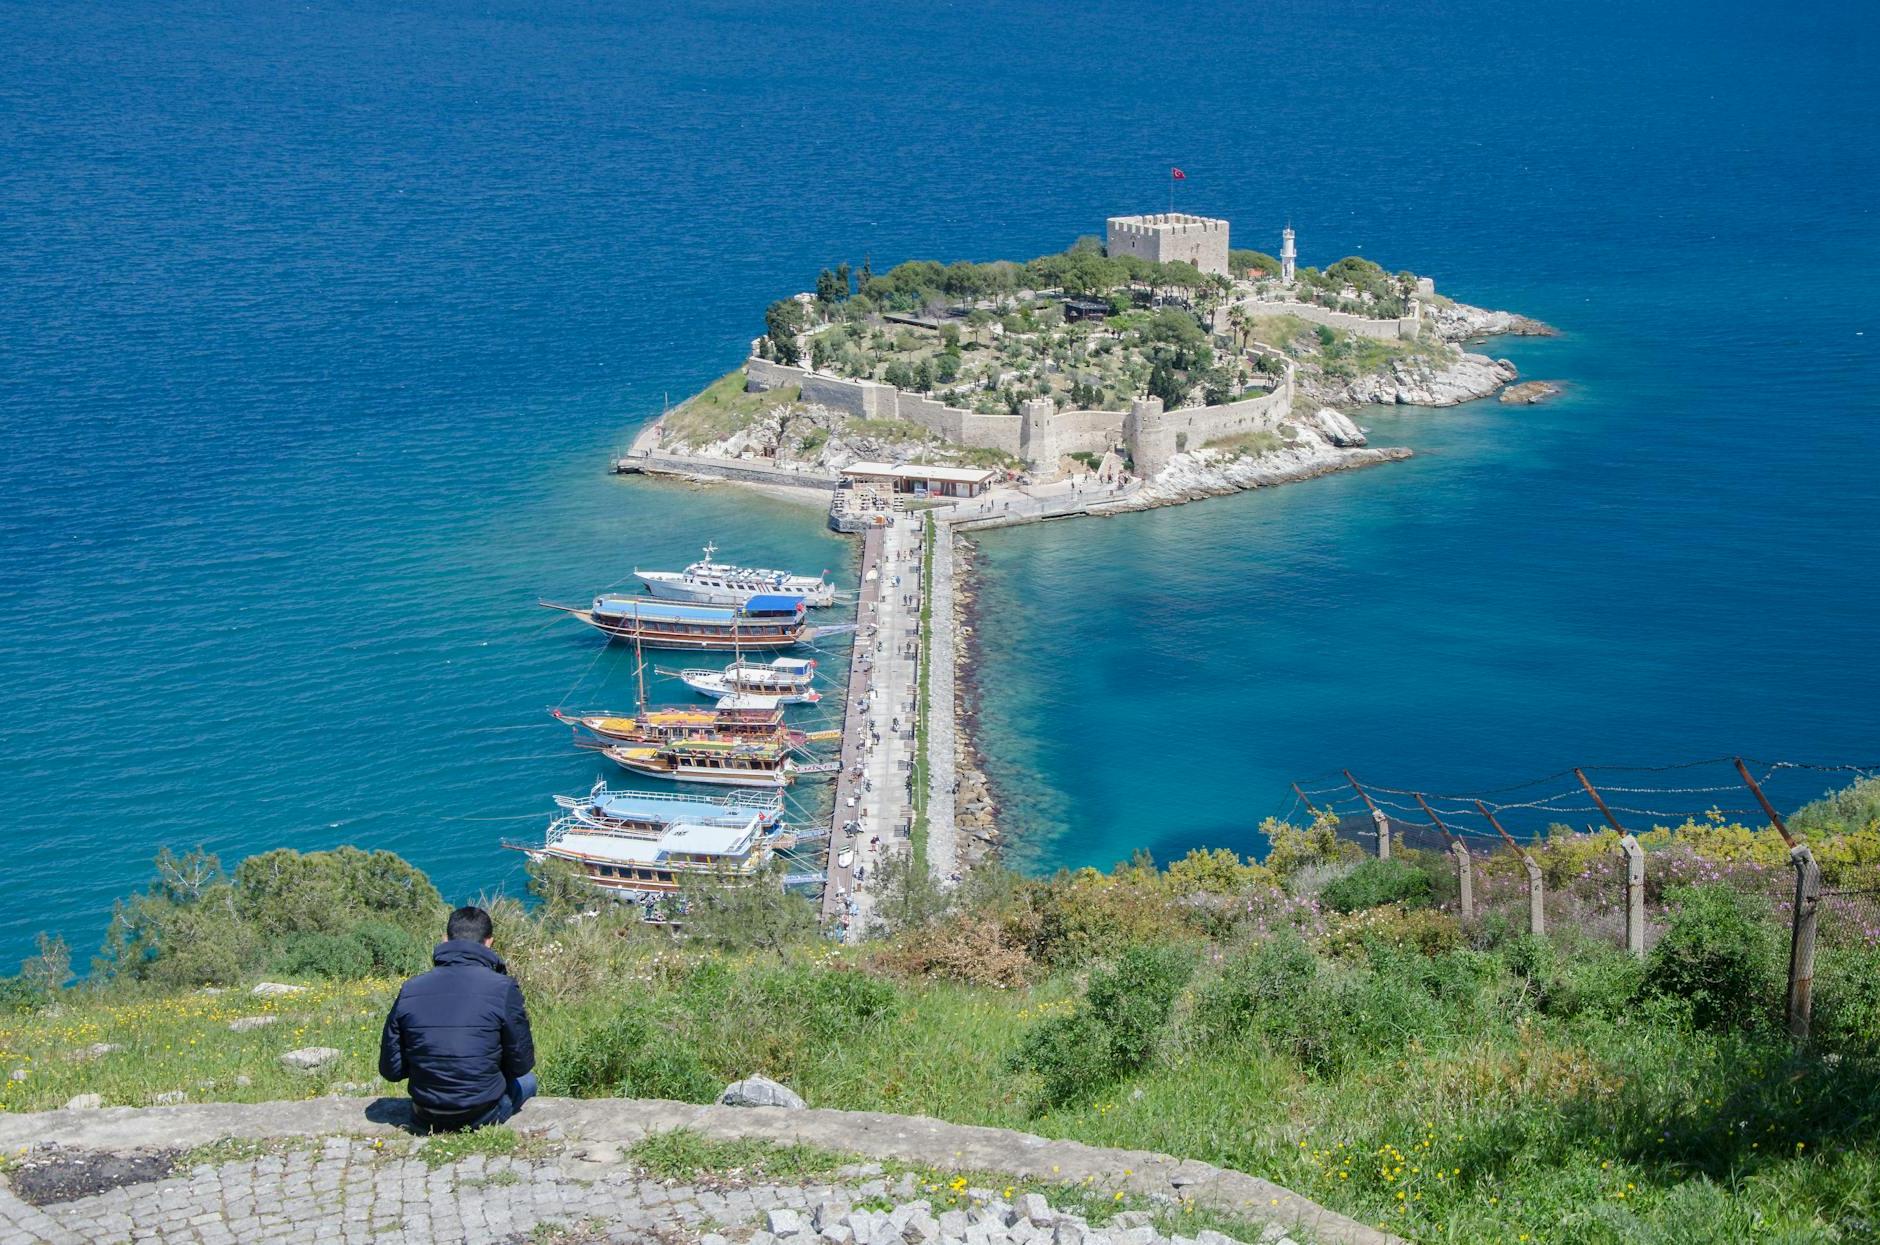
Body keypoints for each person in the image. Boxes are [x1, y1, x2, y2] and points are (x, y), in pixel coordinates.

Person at [379, 906, 536, 1133]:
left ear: (445, 939)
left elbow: (391, 1070)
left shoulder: (411, 988)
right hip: (482, 1113)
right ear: (489, 942)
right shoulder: (502, 987)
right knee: (529, 1081)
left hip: (425, 1113)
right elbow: (522, 1064)